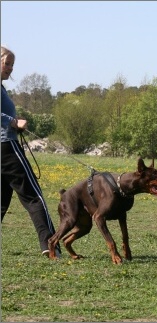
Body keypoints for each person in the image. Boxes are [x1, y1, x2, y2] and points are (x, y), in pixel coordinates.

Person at [1, 45, 61, 257]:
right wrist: (14, 121)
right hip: (7, 147)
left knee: (1, 201)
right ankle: (50, 245)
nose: (10, 68)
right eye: (6, 63)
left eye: (12, 65)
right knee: (34, 197)